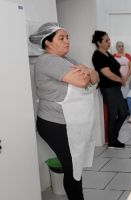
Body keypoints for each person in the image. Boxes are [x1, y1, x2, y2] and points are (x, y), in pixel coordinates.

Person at [29, 22, 100, 200]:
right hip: (54, 123)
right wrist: (87, 72)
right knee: (72, 166)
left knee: (75, 166)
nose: (67, 41)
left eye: (67, 37)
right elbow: (84, 82)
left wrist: (88, 70)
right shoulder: (48, 60)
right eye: (61, 38)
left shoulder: (67, 60)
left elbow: (95, 77)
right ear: (48, 43)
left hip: (66, 122)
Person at [92, 30, 128, 148]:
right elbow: (107, 73)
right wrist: (120, 80)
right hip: (108, 88)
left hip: (115, 88)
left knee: (123, 113)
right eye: (106, 40)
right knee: (113, 114)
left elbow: (115, 69)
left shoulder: (108, 53)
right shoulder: (97, 55)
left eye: (109, 40)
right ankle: (112, 141)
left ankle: (113, 137)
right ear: (98, 42)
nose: (109, 42)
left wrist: (121, 77)